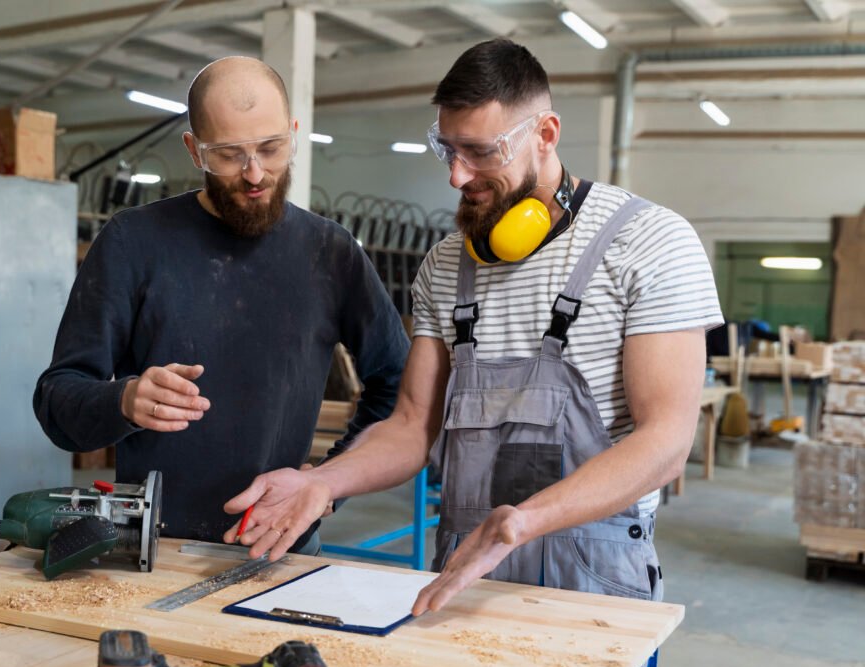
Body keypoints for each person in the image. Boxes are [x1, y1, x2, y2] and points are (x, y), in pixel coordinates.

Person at [223, 38, 724, 613]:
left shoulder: (649, 242)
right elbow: (412, 425)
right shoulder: (446, 264)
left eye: (481, 152)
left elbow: (665, 443)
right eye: (448, 150)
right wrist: (324, 482)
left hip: (594, 577)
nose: (459, 176)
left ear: (545, 135)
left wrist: (522, 523)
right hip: (464, 569)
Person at [33, 56, 409, 554]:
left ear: (293, 133)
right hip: (152, 551)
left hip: (280, 552)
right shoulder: (133, 242)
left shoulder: (332, 253)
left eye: (272, 148)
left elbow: (400, 387)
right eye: (230, 155)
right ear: (194, 150)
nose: (255, 174)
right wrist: (122, 401)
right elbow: (57, 401)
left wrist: (329, 480)